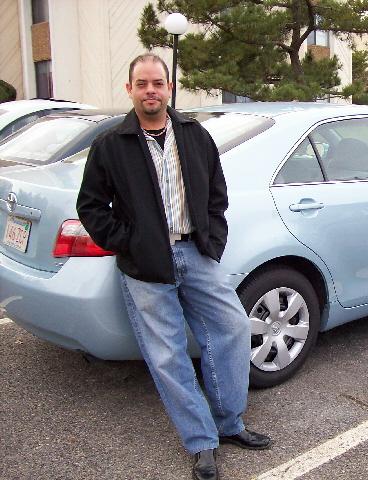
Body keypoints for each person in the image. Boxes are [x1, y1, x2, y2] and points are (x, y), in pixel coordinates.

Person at [76, 53, 270, 480]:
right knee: (168, 355)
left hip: (195, 254)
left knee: (232, 328)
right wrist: (131, 243)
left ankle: (229, 423)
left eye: (157, 83)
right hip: (146, 266)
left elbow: (217, 195)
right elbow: (91, 207)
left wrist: (212, 243)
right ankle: (201, 442)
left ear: (169, 88)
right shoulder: (110, 144)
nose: (150, 91)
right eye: (141, 84)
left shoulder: (194, 135)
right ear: (129, 89)